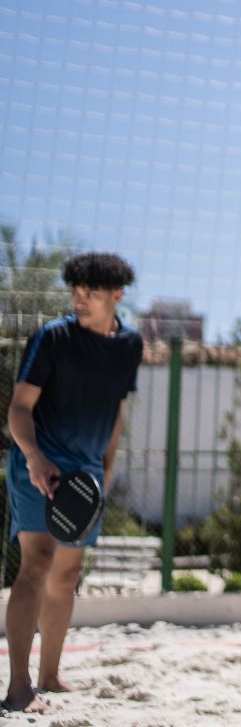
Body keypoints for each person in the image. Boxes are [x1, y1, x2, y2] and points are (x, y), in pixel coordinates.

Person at [5, 252, 142, 713]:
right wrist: (34, 457)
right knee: (37, 563)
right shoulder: (53, 338)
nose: (79, 301)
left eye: (91, 293)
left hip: (85, 474)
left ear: (117, 295)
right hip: (39, 464)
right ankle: (19, 686)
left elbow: (116, 409)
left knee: (67, 575)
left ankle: (50, 675)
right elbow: (19, 408)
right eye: (75, 292)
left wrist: (106, 467)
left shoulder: (130, 345)